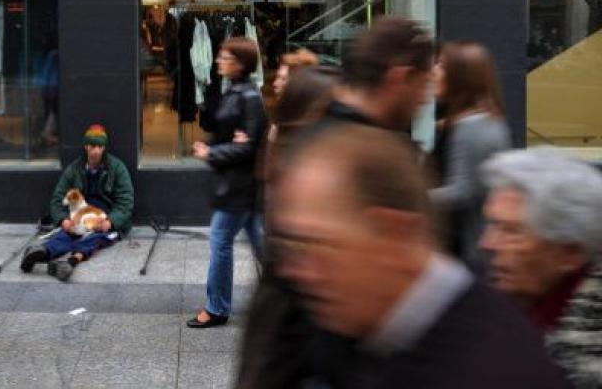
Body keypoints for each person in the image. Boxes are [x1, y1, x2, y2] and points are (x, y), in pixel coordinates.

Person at [238, 124, 570, 388]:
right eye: (293, 247)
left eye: (319, 245)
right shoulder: (385, 336)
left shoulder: (482, 368)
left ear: (393, 233)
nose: (298, 272)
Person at [238, 17, 435, 385]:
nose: (426, 98)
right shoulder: (350, 153)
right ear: (401, 77)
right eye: (424, 84)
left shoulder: (323, 138)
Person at [480, 147, 602, 387]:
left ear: (570, 253)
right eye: (492, 224)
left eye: (511, 231)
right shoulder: (508, 312)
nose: (487, 244)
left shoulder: (581, 365)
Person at [187, 37, 268, 329]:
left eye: (225, 57)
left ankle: (217, 308)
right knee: (261, 245)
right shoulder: (234, 91)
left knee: (221, 241)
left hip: (239, 186)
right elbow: (230, 134)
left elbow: (249, 145)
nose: (219, 60)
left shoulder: (249, 97)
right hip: (236, 184)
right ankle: (292, 298)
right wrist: (217, 145)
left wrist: (212, 153)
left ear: (241, 64)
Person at [428, 41, 511, 272]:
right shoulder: (478, 121)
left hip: (466, 252)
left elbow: (461, 192)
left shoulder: (472, 127)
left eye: (442, 66)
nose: (433, 71)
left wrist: (408, 197)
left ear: (462, 77)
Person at [20, 124, 134, 282]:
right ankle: (42, 252)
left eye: (100, 147)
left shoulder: (117, 168)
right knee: (67, 233)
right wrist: (63, 220)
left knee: (97, 237)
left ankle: (70, 262)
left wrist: (110, 222)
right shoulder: (74, 169)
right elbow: (57, 198)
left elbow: (126, 201)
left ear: (104, 148)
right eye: (92, 146)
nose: (96, 151)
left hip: (105, 215)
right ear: (86, 146)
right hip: (81, 214)